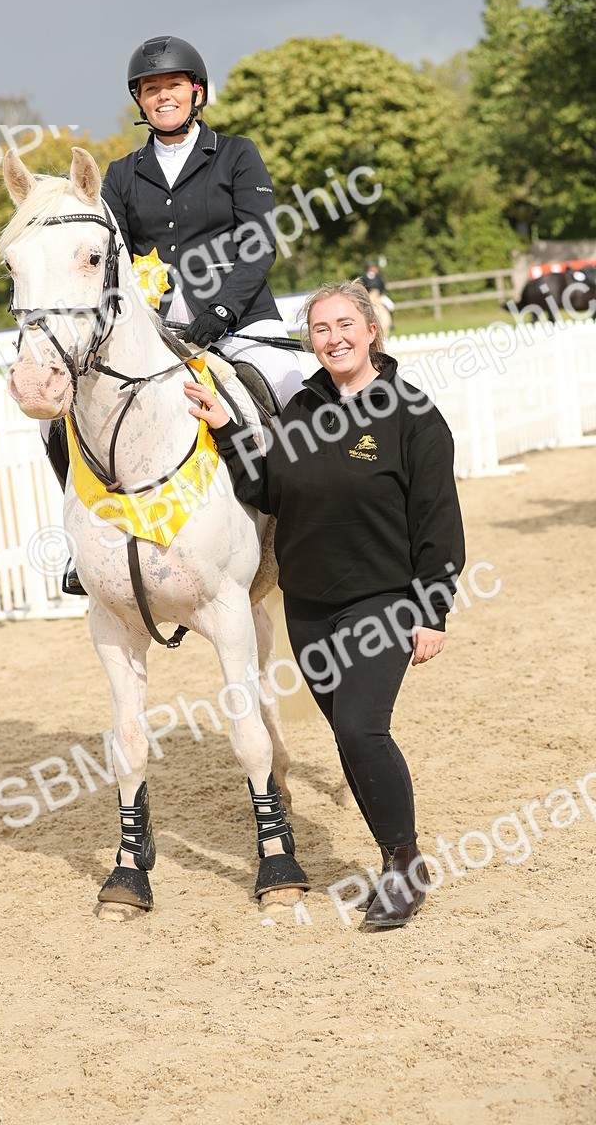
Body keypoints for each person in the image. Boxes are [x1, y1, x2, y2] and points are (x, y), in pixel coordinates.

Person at [184, 279, 466, 929]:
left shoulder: (410, 413)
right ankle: (398, 859)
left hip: (384, 601)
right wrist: (227, 430)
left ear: (370, 331)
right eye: (320, 329)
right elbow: (268, 489)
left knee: (362, 728)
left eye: (345, 325)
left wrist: (433, 608)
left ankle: (404, 867)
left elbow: (437, 520)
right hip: (309, 606)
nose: (334, 337)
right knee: (346, 737)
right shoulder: (304, 408)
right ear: (310, 341)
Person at [102, 34, 309, 408]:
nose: (163, 96)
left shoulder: (236, 154)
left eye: (174, 85)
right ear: (140, 100)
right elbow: (111, 258)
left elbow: (259, 245)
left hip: (241, 320)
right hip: (158, 330)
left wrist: (223, 309)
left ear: (197, 91)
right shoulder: (120, 175)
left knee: (288, 387)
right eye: (152, 89)